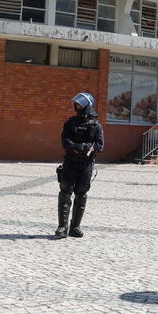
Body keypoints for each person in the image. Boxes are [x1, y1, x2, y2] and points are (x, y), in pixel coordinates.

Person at [56, 92, 104, 239]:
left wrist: (88, 147)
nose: (77, 107)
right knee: (65, 192)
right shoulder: (70, 123)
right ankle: (62, 227)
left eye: (80, 105)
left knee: (81, 192)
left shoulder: (96, 125)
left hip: (86, 164)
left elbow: (100, 144)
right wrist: (75, 147)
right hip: (70, 162)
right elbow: (65, 140)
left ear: (87, 107)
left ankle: (75, 227)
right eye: (76, 105)